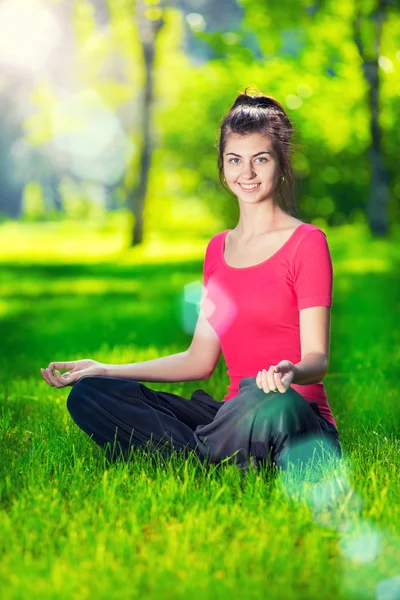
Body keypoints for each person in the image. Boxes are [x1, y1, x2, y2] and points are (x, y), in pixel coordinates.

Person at [40, 87, 342, 474]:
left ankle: (194, 455)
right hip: (229, 416)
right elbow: (199, 359)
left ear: (281, 164)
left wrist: (290, 372)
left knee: (261, 395)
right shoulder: (218, 250)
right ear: (222, 165)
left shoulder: (307, 242)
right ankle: (216, 455)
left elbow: (317, 359)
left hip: (292, 416)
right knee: (90, 395)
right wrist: (105, 368)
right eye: (234, 160)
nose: (246, 173)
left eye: (260, 159)